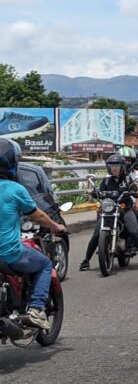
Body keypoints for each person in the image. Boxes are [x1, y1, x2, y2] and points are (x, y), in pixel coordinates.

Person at [0, 139, 66, 329]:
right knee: (45, 264)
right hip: (8, 253)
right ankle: (36, 310)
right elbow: (37, 215)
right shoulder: (15, 189)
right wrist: (56, 226)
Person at [79, 154, 138, 271]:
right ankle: (86, 260)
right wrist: (93, 192)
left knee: (134, 231)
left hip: (124, 209)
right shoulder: (106, 180)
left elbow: (135, 189)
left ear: (122, 167)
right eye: (112, 166)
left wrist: (136, 193)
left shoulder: (127, 179)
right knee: (96, 234)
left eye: (117, 166)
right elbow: (100, 192)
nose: (115, 168)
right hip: (109, 210)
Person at [118, 146, 138, 241]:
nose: (126, 162)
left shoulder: (136, 174)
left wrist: (137, 204)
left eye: (129, 160)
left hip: (131, 203)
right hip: (115, 203)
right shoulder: (112, 173)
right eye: (123, 159)